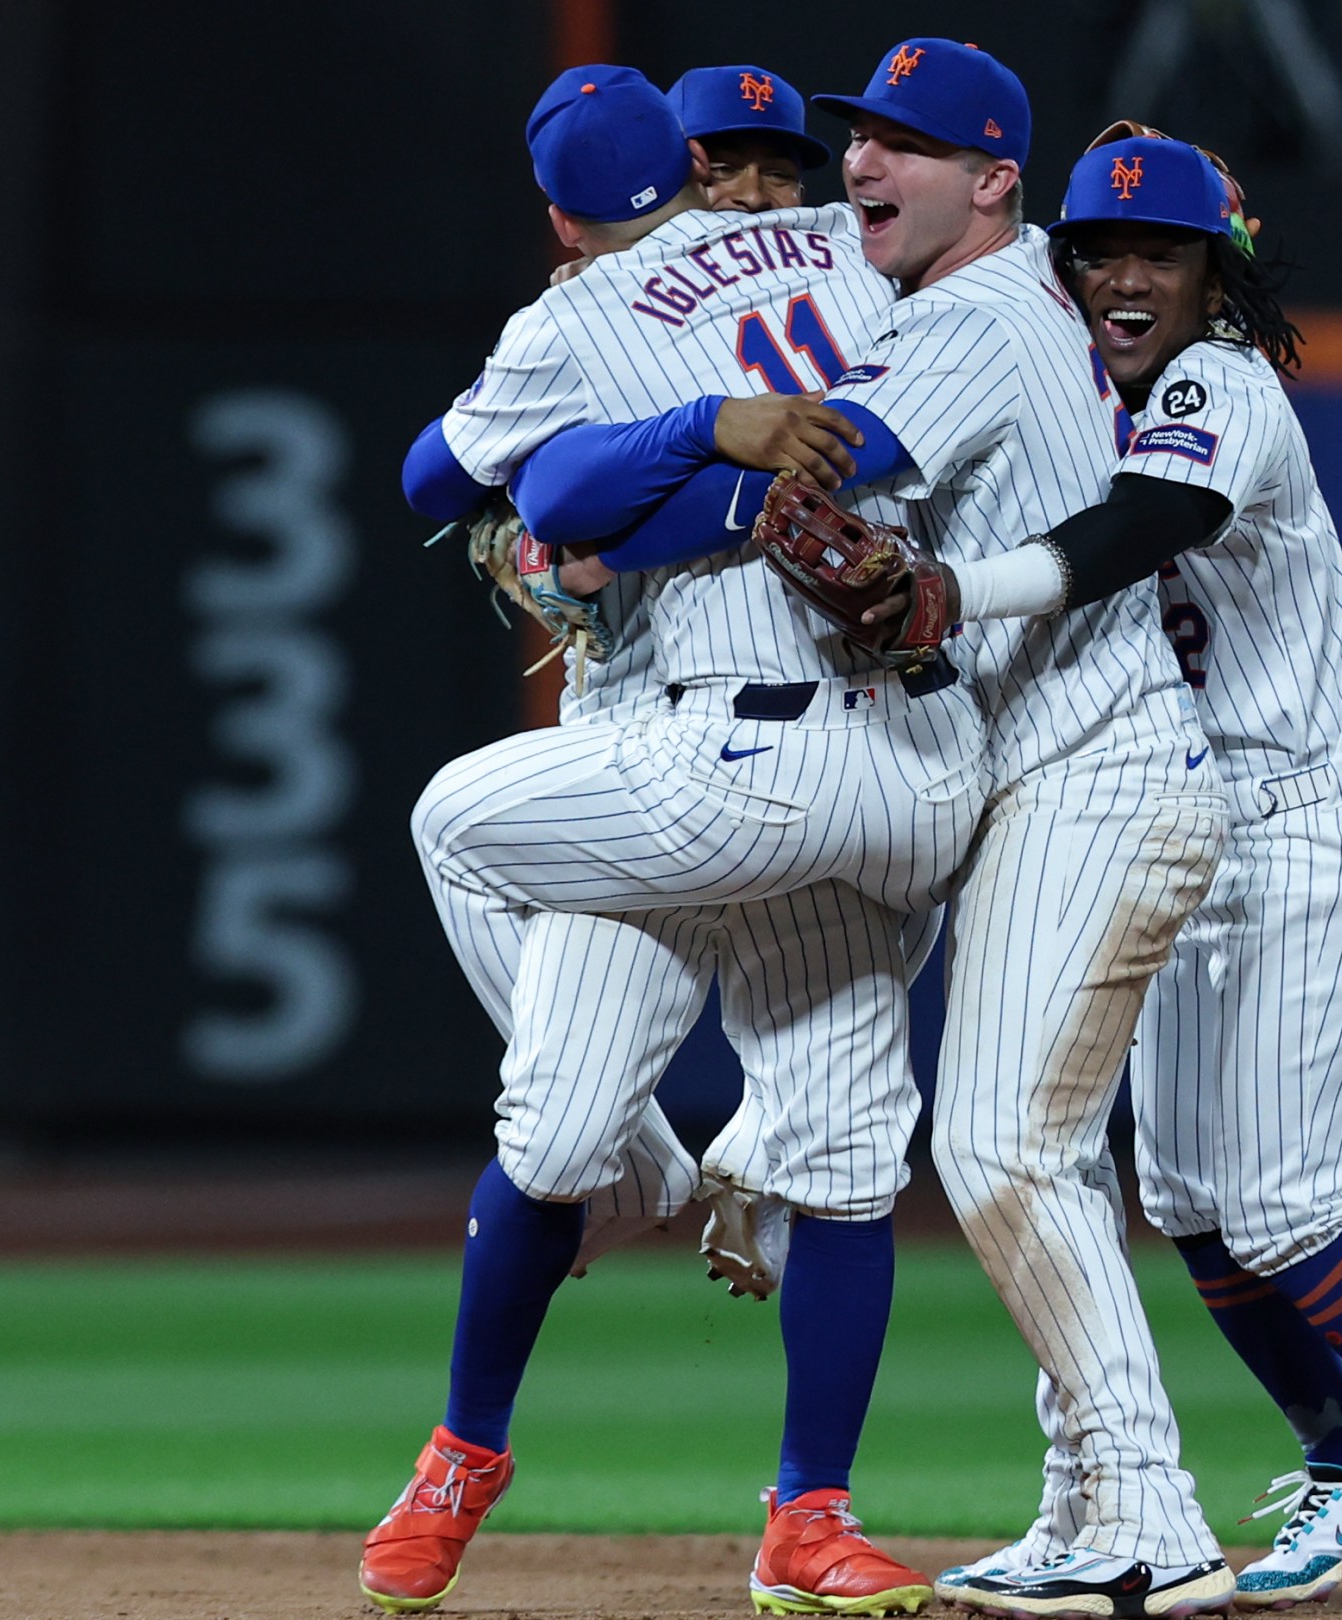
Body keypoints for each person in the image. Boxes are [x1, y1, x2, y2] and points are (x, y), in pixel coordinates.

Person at [508, 39, 1240, 1616]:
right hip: (1024, 777)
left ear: (995, 179)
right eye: (857, 141)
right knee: (1025, 1156)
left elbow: (789, 497)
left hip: (1085, 771)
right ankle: (1103, 1495)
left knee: (1003, 1149)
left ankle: (1153, 1515)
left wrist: (588, 507)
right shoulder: (963, 295)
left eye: (903, 147)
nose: (859, 168)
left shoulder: (972, 323)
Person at [880, 129, 1342, 1616]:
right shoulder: (1070, 391)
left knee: (1281, 1206)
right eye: (1104, 252)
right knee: (1197, 1202)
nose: (1130, 276)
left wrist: (961, 590)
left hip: (1319, 833)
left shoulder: (1221, 384)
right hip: (1202, 836)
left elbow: (1153, 525)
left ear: (1220, 274)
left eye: (1166, 253)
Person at [363, 62, 973, 1618]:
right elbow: (521, 498)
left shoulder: (590, 316)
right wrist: (676, 460)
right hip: (673, 743)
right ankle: (466, 1443)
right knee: (561, 1138)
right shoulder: (849, 251)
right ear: (694, 172)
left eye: (791, 160)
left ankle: (810, 1518)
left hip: (794, 739)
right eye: (739, 162)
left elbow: (461, 479)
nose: (768, 188)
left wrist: (644, 466)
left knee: (842, 1160)